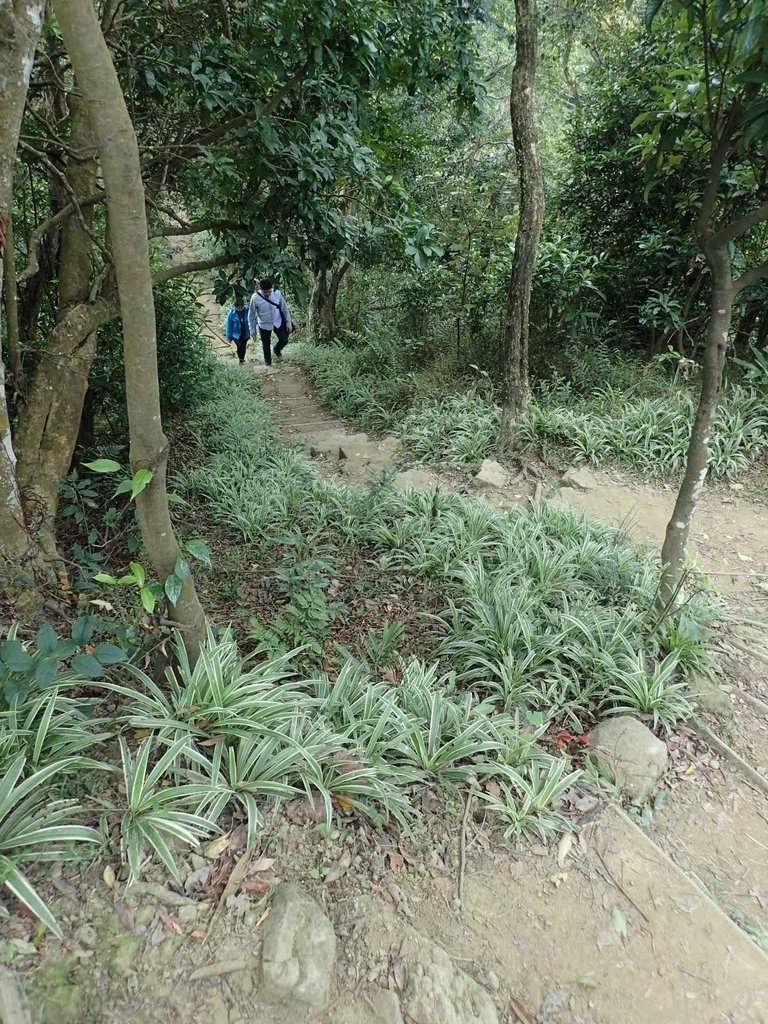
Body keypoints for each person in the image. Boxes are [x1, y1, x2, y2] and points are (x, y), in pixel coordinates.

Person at [248, 277, 293, 369]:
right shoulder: (255, 298)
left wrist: (288, 322)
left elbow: (284, 308)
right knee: (266, 344)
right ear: (261, 290)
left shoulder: (277, 294)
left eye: (269, 292)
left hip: (277, 321)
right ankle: (268, 363)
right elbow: (251, 314)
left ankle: (277, 350)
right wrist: (251, 329)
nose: (268, 294)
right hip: (264, 324)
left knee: (284, 339)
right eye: (265, 292)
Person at [226, 297, 249, 364]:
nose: (240, 309)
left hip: (245, 332)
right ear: (235, 307)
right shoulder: (231, 313)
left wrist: (253, 331)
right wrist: (229, 337)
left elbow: (252, 321)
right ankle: (240, 359)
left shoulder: (247, 311)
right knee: (239, 346)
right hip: (236, 334)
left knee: (244, 346)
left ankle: (242, 358)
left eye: (241, 307)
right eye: (238, 308)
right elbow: (229, 325)